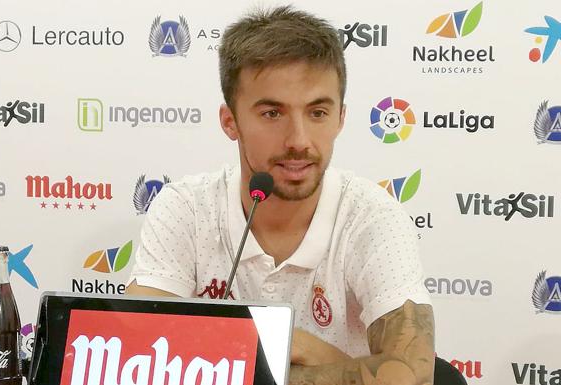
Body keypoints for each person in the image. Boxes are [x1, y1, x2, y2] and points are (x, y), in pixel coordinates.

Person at [126, 6, 435, 384]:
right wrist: (301, 351)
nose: (299, 141)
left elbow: (412, 376)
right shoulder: (185, 208)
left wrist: (236, 355)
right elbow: (136, 354)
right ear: (230, 121)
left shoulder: (372, 217)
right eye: (273, 114)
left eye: (318, 112)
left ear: (340, 118)